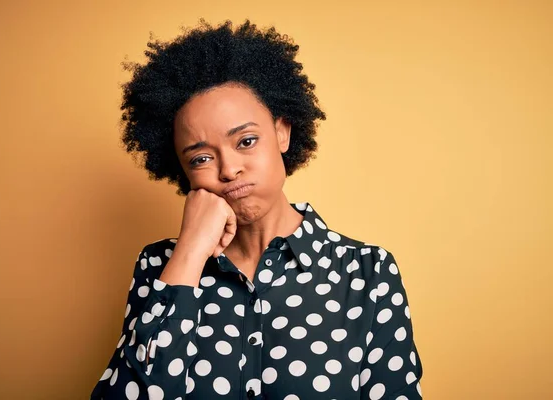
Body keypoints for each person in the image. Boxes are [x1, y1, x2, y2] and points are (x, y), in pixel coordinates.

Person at [90, 19, 423, 400]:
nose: (229, 170)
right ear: (180, 169)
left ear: (282, 133)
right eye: (200, 158)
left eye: (246, 141)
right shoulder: (160, 266)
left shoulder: (367, 273)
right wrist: (189, 252)